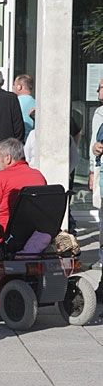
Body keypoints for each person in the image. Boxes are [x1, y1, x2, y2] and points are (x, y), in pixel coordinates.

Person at [0, 138, 47, 241]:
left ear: (8, 158)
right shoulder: (38, 176)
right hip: (33, 235)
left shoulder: (0, 177)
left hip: (3, 235)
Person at [89, 79, 103, 271]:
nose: (98, 90)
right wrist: (92, 170)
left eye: (101, 86)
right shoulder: (99, 113)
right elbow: (94, 143)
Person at [12, 74, 36, 140]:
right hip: (32, 139)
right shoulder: (37, 103)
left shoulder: (14, 102)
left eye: (14, 84)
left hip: (18, 140)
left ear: (19, 87)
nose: (13, 87)